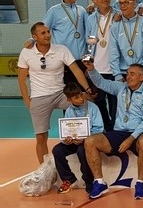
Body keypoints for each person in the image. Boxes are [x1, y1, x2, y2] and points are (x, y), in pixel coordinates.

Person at [18, 22, 94, 164]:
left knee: (85, 104)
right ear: (34, 37)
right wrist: (27, 101)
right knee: (41, 137)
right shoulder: (26, 53)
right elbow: (21, 79)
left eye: (48, 32)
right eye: (43, 33)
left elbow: (76, 71)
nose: (47, 35)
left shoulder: (61, 50)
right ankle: (44, 169)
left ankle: (87, 153)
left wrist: (87, 90)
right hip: (39, 97)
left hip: (61, 94)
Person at [83, 62, 143, 200]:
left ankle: (139, 184)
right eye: (127, 73)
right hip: (119, 131)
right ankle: (99, 182)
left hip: (138, 132)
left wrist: (131, 138)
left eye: (132, 74)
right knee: (90, 141)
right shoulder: (121, 87)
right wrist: (92, 69)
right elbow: (101, 83)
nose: (128, 76)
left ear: (141, 77)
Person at [51, 83, 103, 195]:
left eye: (81, 95)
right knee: (57, 150)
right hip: (74, 142)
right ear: (69, 100)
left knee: (81, 150)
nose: (81, 99)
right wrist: (66, 140)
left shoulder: (93, 108)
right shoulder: (69, 111)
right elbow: (66, 130)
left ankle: (89, 182)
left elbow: (99, 128)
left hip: (89, 141)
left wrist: (85, 138)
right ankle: (69, 179)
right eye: (76, 97)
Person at [84, 0, 117, 131]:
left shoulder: (118, 15)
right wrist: (89, 64)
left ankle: (115, 131)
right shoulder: (91, 18)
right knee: (99, 102)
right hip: (98, 69)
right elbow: (89, 40)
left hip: (115, 69)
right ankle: (105, 130)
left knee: (116, 103)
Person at [43, 0, 88, 83]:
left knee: (84, 91)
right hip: (64, 62)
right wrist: (32, 40)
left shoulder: (81, 10)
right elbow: (42, 30)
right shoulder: (54, 11)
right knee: (67, 91)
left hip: (82, 61)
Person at [108, 0, 143, 82]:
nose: (123, 6)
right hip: (124, 73)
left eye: (126, 3)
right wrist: (117, 74)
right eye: (120, 3)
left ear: (135, 4)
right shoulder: (116, 26)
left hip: (142, 72)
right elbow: (113, 52)